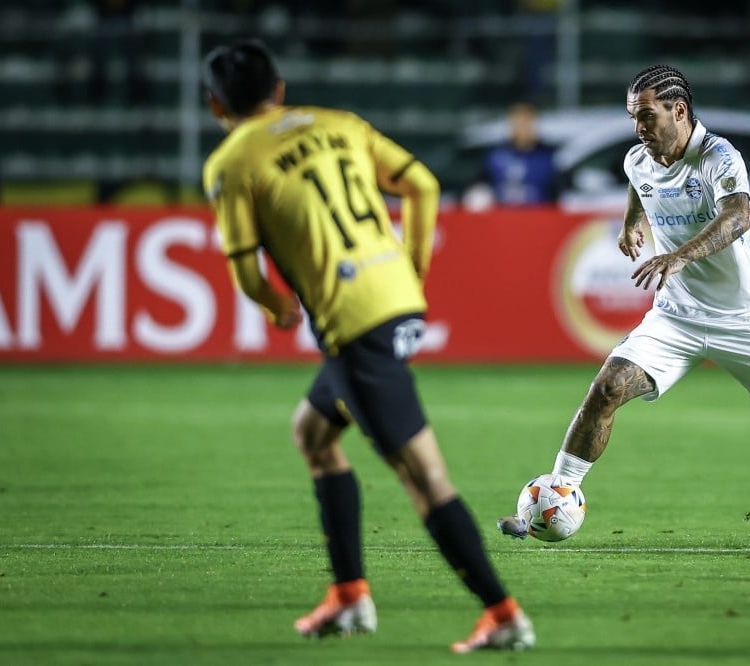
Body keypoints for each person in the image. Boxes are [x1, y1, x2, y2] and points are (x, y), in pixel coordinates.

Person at [201, 39, 535, 653]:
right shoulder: (340, 124)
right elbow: (424, 186)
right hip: (396, 297)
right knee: (314, 432)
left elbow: (245, 268)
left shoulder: (231, 162)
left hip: (353, 325)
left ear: (214, 103)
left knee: (423, 477)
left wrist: (278, 306)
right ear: (278, 89)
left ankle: (504, 612)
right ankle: (350, 595)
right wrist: (410, 270)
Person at [498, 64, 750, 551]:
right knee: (607, 388)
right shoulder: (638, 158)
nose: (639, 128)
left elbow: (738, 216)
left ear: (678, 110)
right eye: (633, 118)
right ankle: (556, 496)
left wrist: (679, 255)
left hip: (740, 320)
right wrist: (630, 223)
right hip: (674, 317)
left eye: (646, 116)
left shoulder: (718, 156)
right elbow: (638, 181)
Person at [463, 101, 558, 209]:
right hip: (502, 220)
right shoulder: (495, 156)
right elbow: (477, 187)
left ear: (534, 123)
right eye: (518, 122)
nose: (522, 127)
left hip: (540, 219)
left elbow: (558, 194)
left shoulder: (548, 156)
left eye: (526, 121)